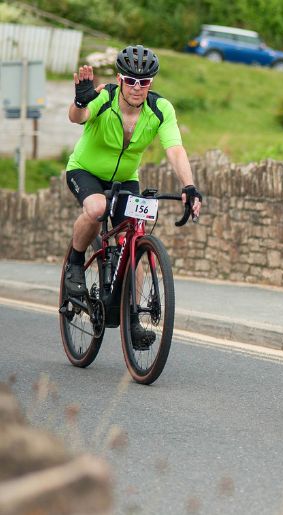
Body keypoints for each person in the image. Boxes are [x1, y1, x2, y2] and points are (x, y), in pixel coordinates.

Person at [63, 44, 202, 347]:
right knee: (97, 208)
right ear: (120, 79)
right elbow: (78, 117)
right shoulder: (105, 96)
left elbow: (175, 149)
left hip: (126, 179)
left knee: (133, 244)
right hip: (85, 171)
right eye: (131, 80)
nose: (138, 88)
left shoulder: (160, 109)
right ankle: (75, 264)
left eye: (145, 82)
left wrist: (189, 186)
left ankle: (133, 318)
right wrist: (79, 100)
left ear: (152, 83)